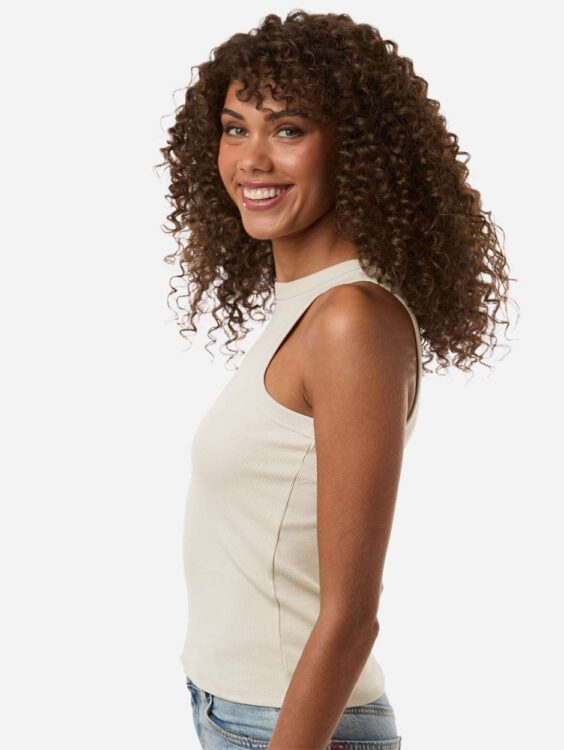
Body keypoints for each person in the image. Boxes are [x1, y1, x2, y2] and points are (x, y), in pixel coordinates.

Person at [157, 10, 513, 750]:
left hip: (293, 728)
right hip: (236, 713)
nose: (252, 159)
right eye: (235, 128)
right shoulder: (307, 307)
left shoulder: (350, 320)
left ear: (356, 148)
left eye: (288, 130)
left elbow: (352, 614)